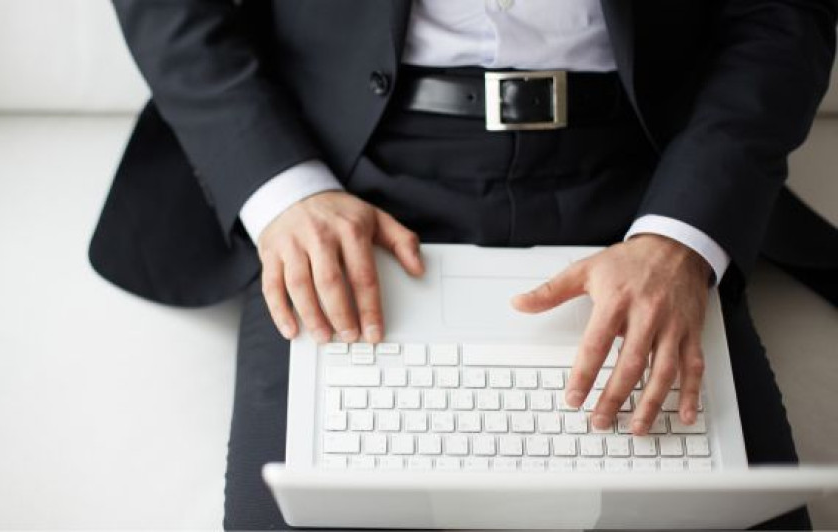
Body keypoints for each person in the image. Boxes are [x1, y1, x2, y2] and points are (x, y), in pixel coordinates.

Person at [89, 1, 838, 529]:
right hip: (346, 164)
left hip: (645, 167)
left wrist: (683, 234)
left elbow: (780, 16)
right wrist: (283, 193)